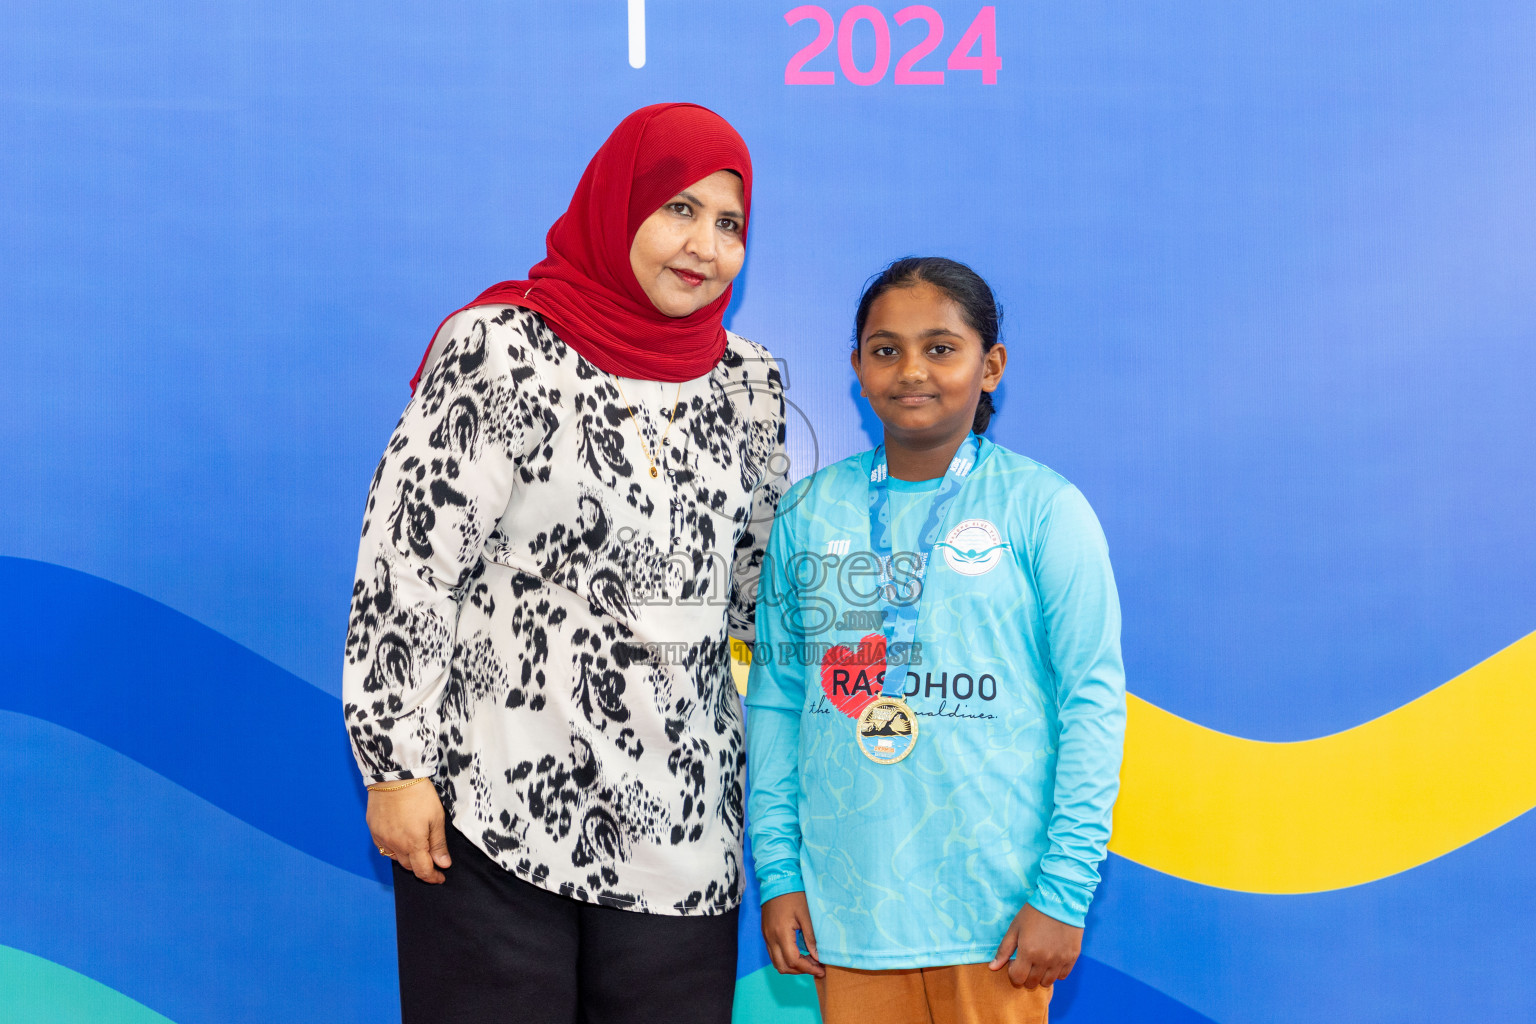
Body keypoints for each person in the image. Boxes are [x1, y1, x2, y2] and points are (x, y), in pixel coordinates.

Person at [342, 103, 786, 1024]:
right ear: (617, 206)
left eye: (730, 223)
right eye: (678, 209)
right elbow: (410, 562)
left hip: (684, 824)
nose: (704, 244)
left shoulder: (751, 384)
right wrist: (394, 766)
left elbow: (756, 593)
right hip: (491, 811)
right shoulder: (504, 348)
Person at [744, 257, 1125, 1024]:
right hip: (850, 912)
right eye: (885, 349)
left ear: (991, 367)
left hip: (996, 919)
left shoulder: (1042, 509)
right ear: (855, 368)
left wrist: (1061, 892)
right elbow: (779, 700)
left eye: (941, 347)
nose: (911, 369)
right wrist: (780, 873)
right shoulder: (808, 513)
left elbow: (1091, 703)